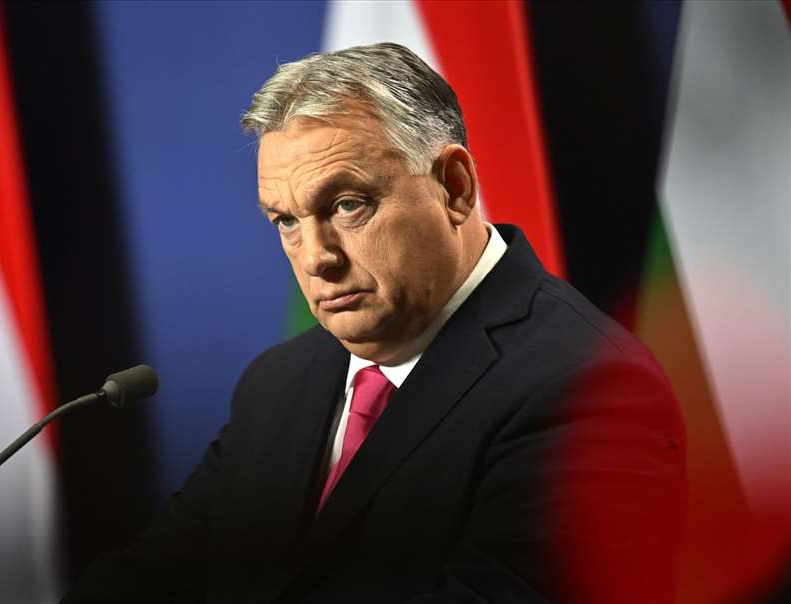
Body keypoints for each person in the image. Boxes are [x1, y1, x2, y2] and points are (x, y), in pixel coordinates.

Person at [64, 43, 686, 603]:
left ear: (454, 187)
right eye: (286, 222)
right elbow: (154, 576)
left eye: (347, 205)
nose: (316, 258)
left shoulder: (592, 389)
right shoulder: (279, 382)